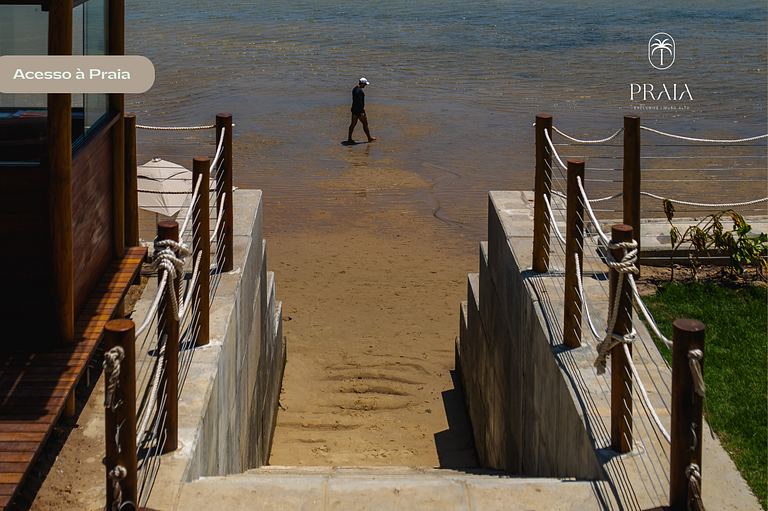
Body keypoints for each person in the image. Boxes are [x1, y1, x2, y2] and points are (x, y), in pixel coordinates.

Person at [347, 77, 377, 143]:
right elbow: (359, 101)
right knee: (365, 124)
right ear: (362, 83)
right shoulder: (359, 91)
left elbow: (356, 101)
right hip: (359, 111)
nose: (365, 86)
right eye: (365, 84)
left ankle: (349, 139)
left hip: (354, 109)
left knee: (353, 124)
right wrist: (361, 111)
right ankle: (369, 138)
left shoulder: (355, 89)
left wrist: (362, 107)